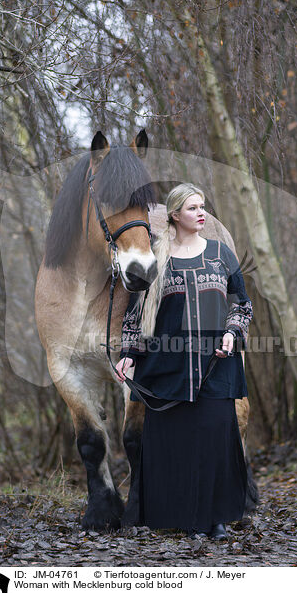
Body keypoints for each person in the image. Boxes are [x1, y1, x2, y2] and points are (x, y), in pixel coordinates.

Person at [115, 183, 253, 540]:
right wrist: (128, 356)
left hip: (216, 366)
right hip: (168, 368)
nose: (201, 213)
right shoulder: (157, 256)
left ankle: (217, 519)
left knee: (215, 443)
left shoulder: (222, 254)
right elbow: (136, 314)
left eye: (202, 206)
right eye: (192, 208)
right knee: (177, 445)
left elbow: (242, 304)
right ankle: (186, 518)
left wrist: (232, 333)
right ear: (174, 214)